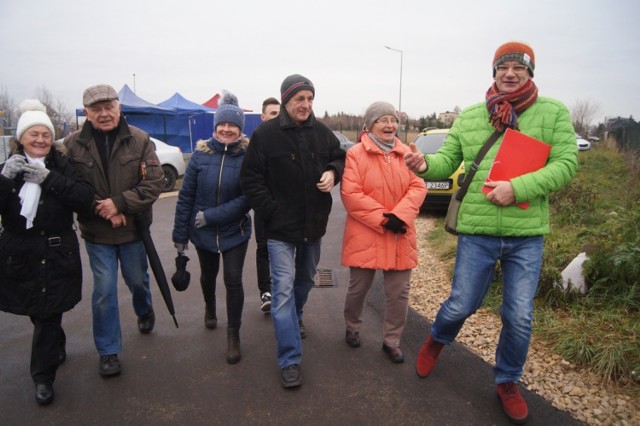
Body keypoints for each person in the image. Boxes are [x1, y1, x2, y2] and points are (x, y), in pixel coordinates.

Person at [404, 41, 578, 424]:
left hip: (526, 233)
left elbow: (566, 164)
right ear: (494, 72)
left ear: (530, 73)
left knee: (518, 315)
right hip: (478, 230)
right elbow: (445, 161)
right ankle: (436, 339)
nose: (511, 73)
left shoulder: (552, 113)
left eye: (519, 67)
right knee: (462, 303)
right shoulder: (469, 117)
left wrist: (518, 188)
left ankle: (507, 380)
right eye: (504, 67)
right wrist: (422, 163)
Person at [240, 74, 345, 388]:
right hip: (279, 230)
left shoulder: (323, 133)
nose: (306, 104)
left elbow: (340, 156)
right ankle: (289, 359)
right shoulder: (265, 135)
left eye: (310, 99)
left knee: (305, 282)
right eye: (300, 99)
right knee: (282, 292)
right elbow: (251, 180)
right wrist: (272, 210)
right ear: (286, 100)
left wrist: (332, 172)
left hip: (313, 226)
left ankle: (296, 316)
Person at [64, 84, 164, 378]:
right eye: (97, 109)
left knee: (137, 282)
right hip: (97, 234)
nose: (104, 114)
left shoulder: (140, 140)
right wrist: (103, 209)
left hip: (133, 230)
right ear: (87, 113)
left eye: (109, 107)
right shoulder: (71, 146)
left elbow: (154, 183)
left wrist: (120, 204)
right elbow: (69, 188)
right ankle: (108, 351)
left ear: (119, 108)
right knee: (104, 291)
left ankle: (144, 310)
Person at [0, 100, 95, 405]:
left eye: (45, 134)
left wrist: (48, 179)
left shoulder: (61, 165)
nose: (40, 140)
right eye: (33, 134)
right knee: (37, 311)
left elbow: (84, 197)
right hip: (20, 254)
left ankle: (43, 377)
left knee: (47, 316)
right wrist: (4, 180)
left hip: (56, 253)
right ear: (21, 138)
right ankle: (54, 345)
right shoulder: (8, 168)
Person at [341, 101, 427, 363]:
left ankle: (392, 340)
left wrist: (398, 217)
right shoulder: (356, 154)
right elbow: (351, 194)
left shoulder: (407, 153)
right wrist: (383, 219)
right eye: (383, 120)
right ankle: (353, 326)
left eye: (393, 119)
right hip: (366, 232)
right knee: (358, 289)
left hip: (400, 231)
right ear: (369, 125)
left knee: (399, 294)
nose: (390, 125)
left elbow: (418, 187)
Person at [172, 91, 252, 364]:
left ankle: (233, 334)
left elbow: (247, 199)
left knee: (233, 280)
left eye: (232, 125)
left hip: (235, 231)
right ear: (216, 126)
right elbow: (186, 198)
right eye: (223, 125)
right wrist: (180, 237)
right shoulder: (199, 156)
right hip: (202, 233)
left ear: (240, 129)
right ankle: (209, 305)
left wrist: (212, 216)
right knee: (208, 276)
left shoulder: (247, 157)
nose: (227, 129)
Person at [253, 96, 281, 314]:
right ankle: (266, 291)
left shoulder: (290, 138)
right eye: (272, 114)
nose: (276, 118)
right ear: (263, 117)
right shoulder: (257, 141)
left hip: (287, 210)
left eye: (279, 113)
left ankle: (282, 290)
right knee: (263, 248)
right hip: (263, 207)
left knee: (286, 250)